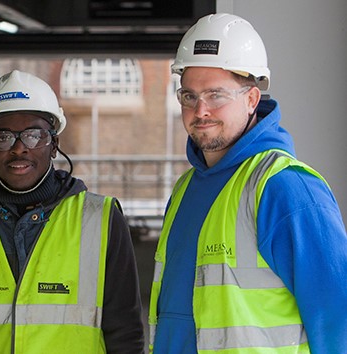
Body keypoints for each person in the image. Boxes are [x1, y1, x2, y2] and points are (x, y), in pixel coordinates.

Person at [148, 13, 347, 353]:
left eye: (216, 95)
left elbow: (337, 321)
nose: (201, 111)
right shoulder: (184, 189)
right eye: (189, 97)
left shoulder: (286, 188)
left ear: (252, 99)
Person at [0, 70, 145, 353]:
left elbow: (125, 334)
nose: (19, 148)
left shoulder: (100, 219)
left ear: (54, 144)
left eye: (33, 135)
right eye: (3, 137)